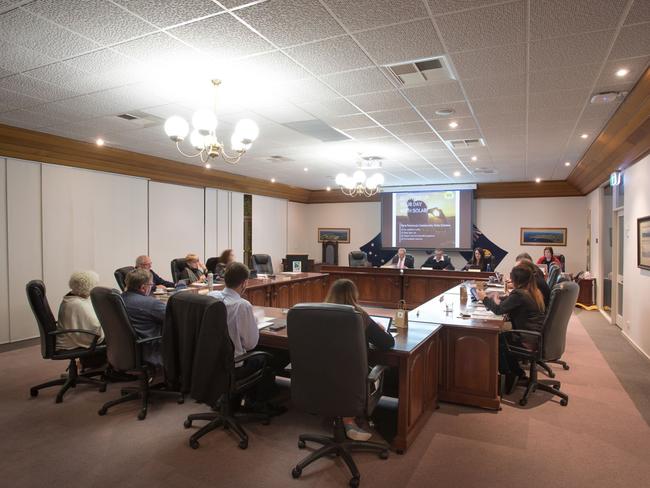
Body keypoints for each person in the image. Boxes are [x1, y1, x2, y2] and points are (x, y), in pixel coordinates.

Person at [324, 279, 395, 442]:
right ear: (354, 295)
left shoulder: (319, 312)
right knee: (349, 370)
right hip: (352, 377)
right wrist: (381, 329)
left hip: (324, 373)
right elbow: (386, 343)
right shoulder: (359, 315)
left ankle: (344, 417)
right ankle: (348, 420)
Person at [207, 262, 282, 412]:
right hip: (233, 365)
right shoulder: (242, 305)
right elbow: (250, 344)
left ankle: (231, 399)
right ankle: (256, 403)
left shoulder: (211, 297)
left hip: (211, 361)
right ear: (244, 283)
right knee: (270, 356)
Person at [477, 264, 546, 394]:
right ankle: (518, 373)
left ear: (516, 280)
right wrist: (499, 298)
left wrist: (484, 298)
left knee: (496, 339)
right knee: (502, 337)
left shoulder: (519, 294)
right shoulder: (532, 291)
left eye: (511, 279)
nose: (509, 281)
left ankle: (509, 374)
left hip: (527, 338)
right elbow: (511, 302)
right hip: (536, 335)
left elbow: (498, 310)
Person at [121, 268, 166, 365]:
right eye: (151, 284)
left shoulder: (118, 299)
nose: (152, 286)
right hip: (151, 347)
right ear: (143, 287)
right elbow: (175, 318)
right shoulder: (151, 304)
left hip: (126, 348)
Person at [57, 271, 104, 351]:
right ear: (88, 287)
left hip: (74, 335)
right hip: (75, 340)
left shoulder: (72, 297)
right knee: (117, 335)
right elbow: (94, 326)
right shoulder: (77, 304)